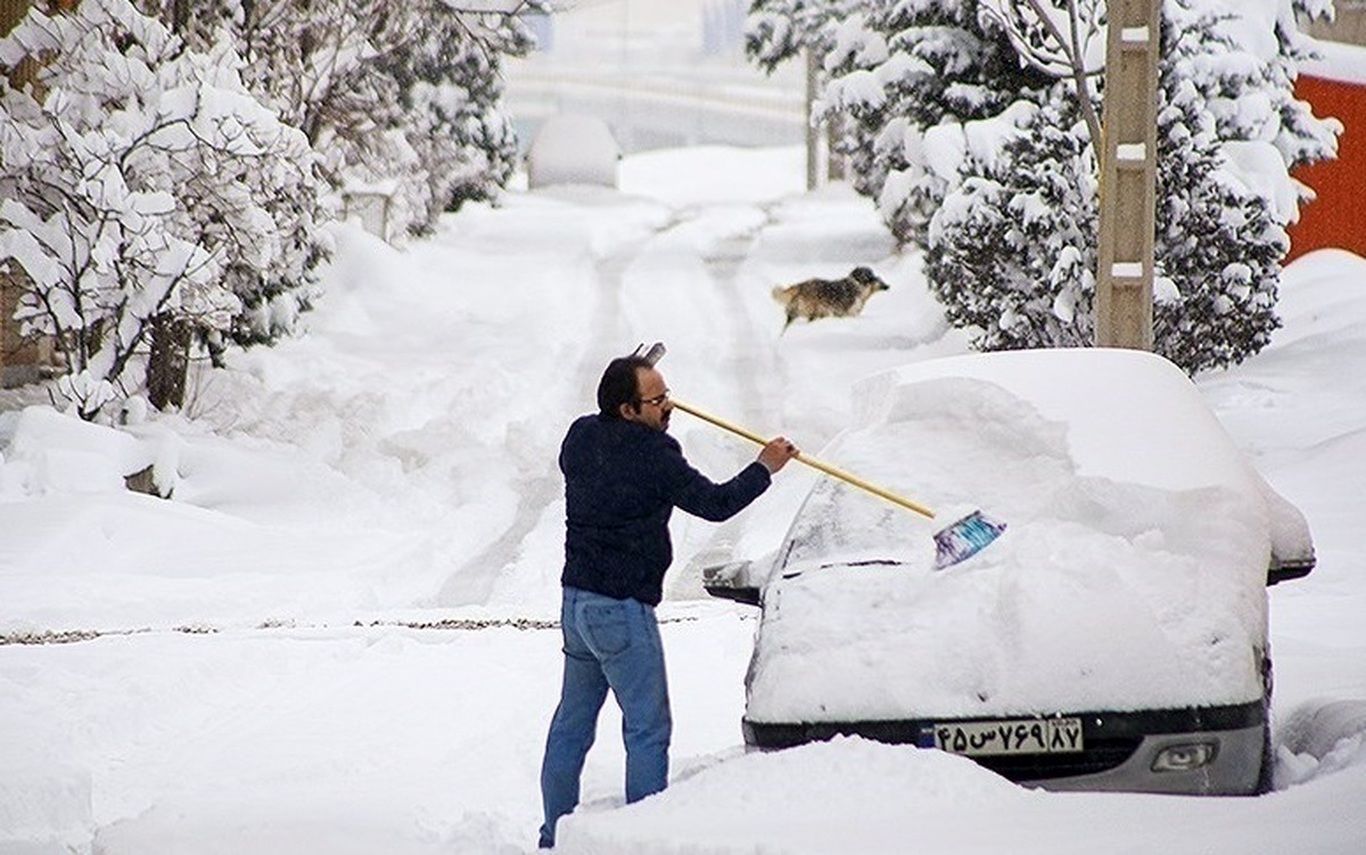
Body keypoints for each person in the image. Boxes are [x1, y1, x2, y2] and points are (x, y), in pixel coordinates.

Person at [537, 354, 799, 848]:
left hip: (578, 606)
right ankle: (645, 839)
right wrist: (766, 466)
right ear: (628, 409)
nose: (669, 407)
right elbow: (716, 503)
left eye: (667, 395)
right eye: (657, 401)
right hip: (622, 612)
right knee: (647, 729)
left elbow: (606, 438)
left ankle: (554, 835)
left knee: (572, 724)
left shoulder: (580, 436)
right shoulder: (654, 456)